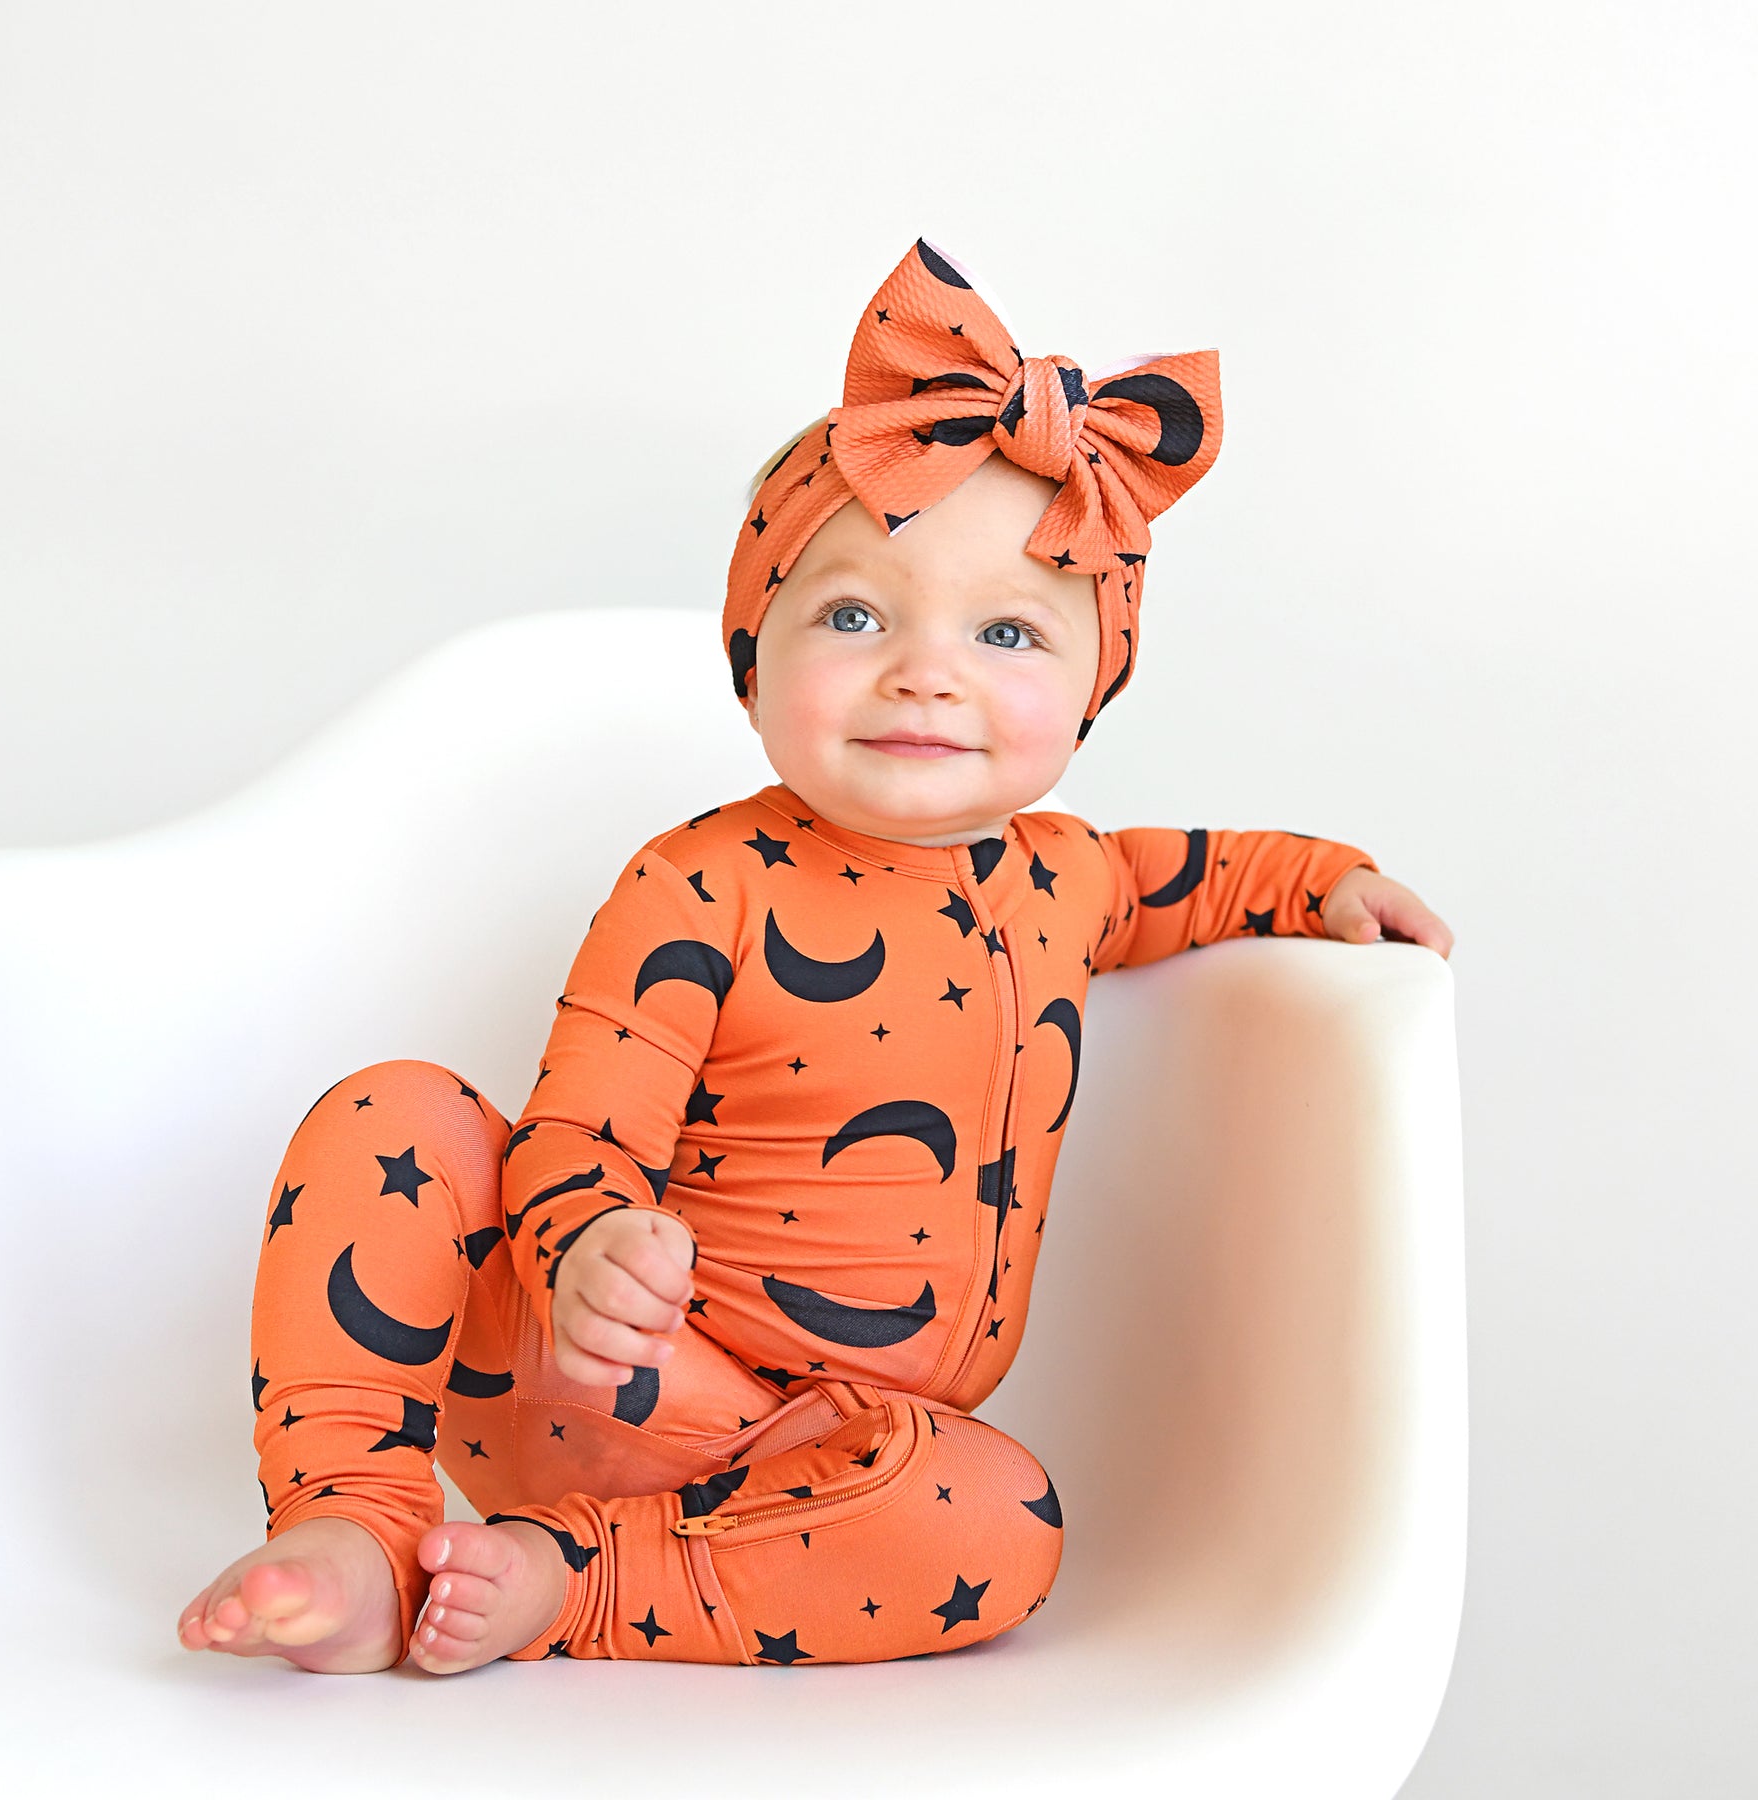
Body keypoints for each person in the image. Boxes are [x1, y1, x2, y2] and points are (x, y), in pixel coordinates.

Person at [177, 239, 1455, 1675]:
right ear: (753, 653)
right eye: (854, 615)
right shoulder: (702, 882)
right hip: (606, 1365)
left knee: (999, 1519)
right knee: (395, 1114)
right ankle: (355, 1521)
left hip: (814, 1457)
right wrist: (591, 1245)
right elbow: (581, 1125)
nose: (927, 670)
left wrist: (1330, 884)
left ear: (1095, 683)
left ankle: (564, 1582)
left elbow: (1209, 876)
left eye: (1009, 630)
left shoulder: (1073, 878)